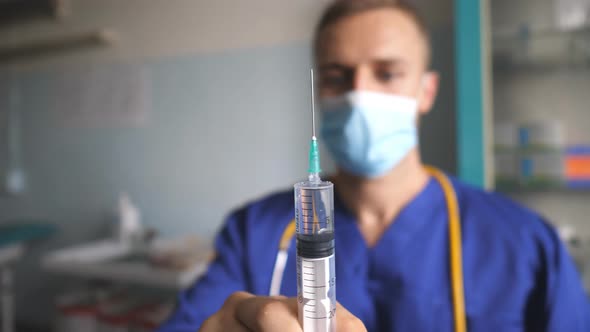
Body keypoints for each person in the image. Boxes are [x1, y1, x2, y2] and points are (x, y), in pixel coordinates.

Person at [158, 0, 590, 331]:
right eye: (337, 76)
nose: (359, 94)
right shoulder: (255, 232)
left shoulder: (524, 243)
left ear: (426, 91)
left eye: (386, 74)